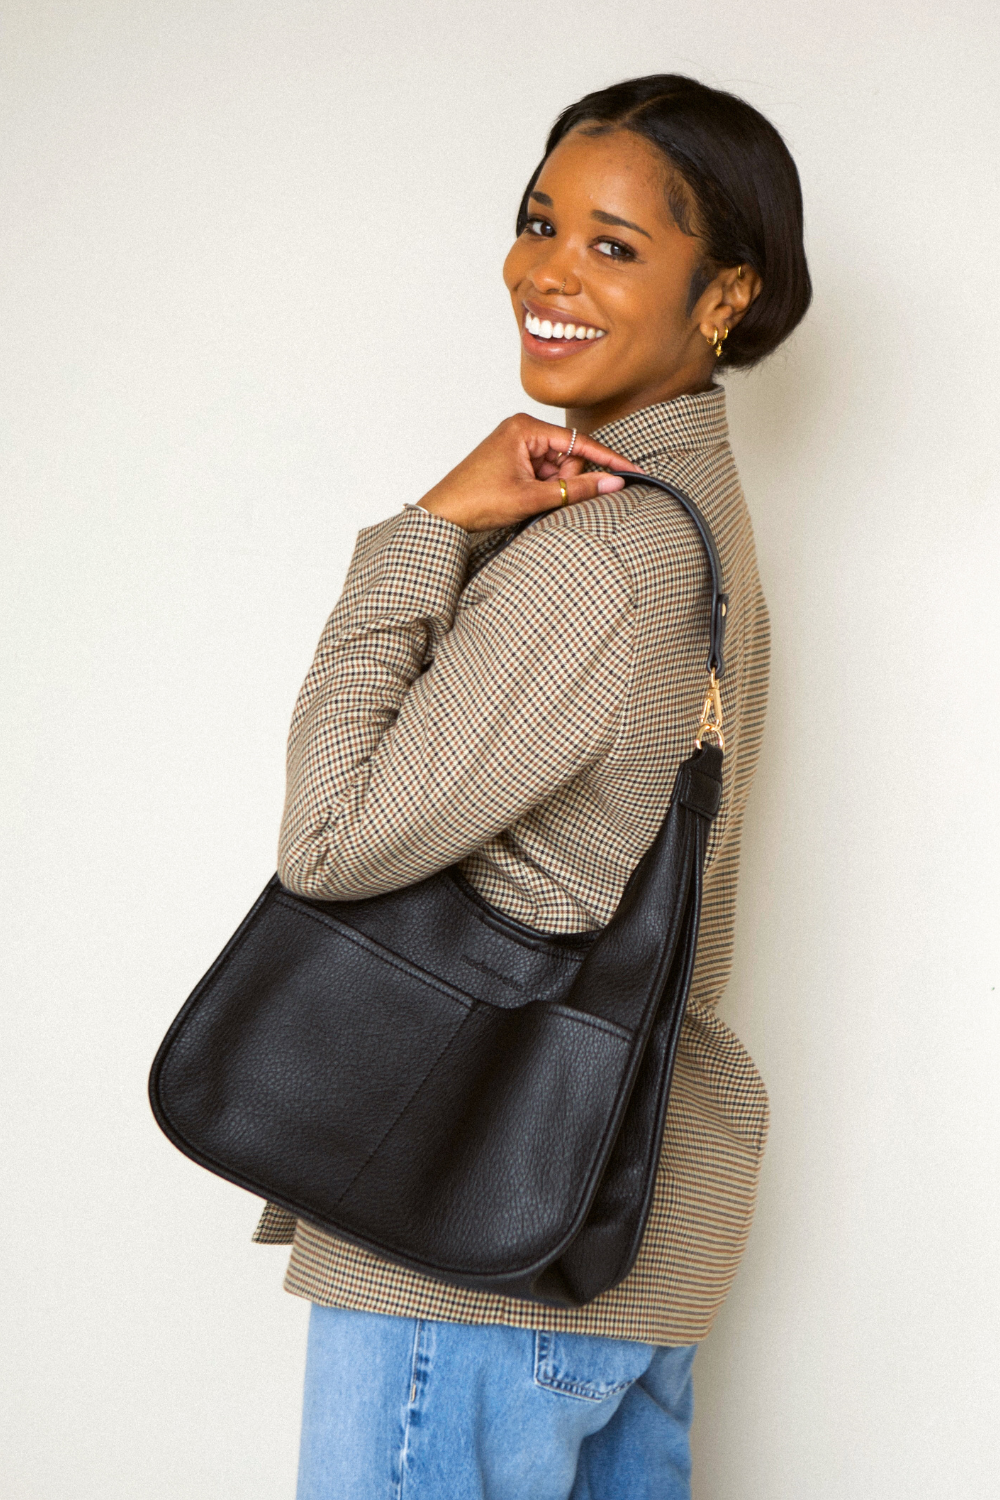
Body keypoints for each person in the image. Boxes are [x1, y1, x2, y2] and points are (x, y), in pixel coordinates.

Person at [253, 72, 811, 1500]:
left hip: (469, 1261)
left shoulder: (604, 557)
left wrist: (424, 531)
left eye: (616, 246)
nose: (547, 273)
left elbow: (329, 842)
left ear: (725, 294)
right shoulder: (704, 531)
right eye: (539, 221)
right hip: (623, 1250)